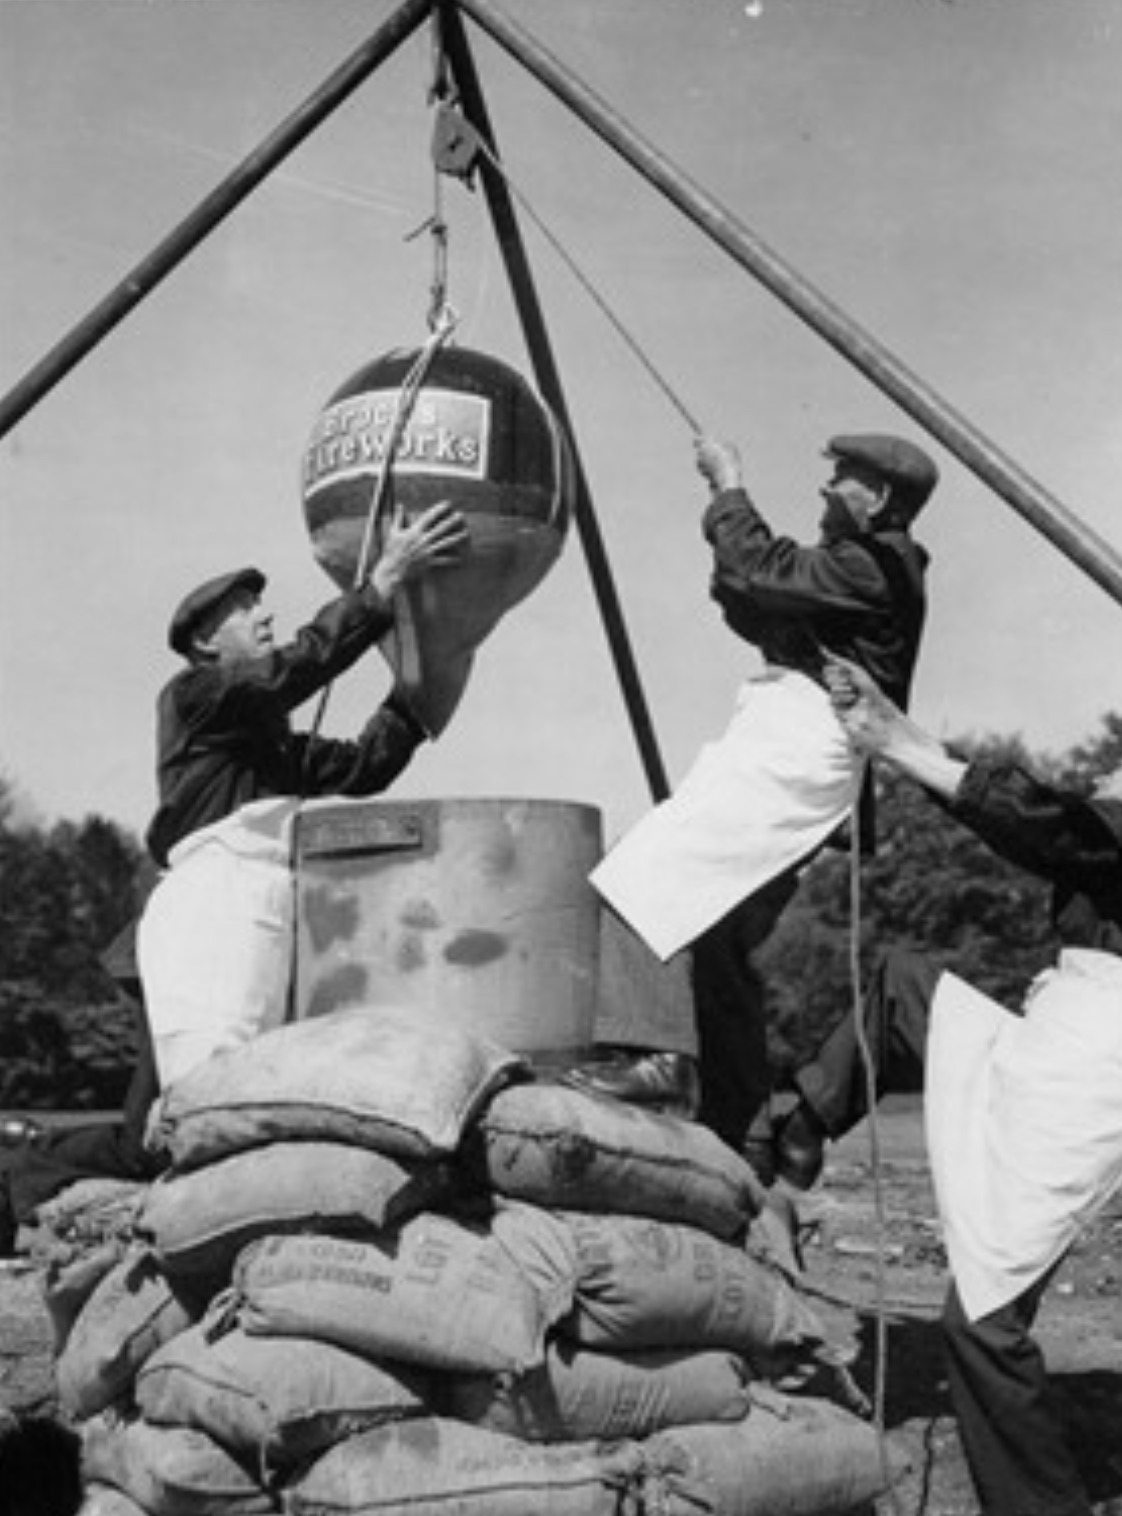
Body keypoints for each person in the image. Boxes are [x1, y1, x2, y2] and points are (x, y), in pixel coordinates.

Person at [810, 654, 1122, 1516]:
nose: (1107, 769)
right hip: (1072, 1031)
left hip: (1099, 1061)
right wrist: (893, 731)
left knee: (982, 1323)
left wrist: (899, 749)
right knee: (909, 988)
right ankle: (789, 1128)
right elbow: (1030, 811)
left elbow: (1043, 824)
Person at [580, 431, 938, 1147]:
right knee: (712, 943)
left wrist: (728, 487)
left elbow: (763, 572)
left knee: (636, 880)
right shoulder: (859, 569)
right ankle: (743, 1131)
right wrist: (739, 562)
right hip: (790, 745)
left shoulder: (875, 563)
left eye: (843, 478)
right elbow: (755, 595)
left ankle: (654, 1057)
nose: (827, 487)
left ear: (882, 498)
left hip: (796, 746)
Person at [137, 497, 469, 1089]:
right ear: (207, 645)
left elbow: (362, 768)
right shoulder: (194, 695)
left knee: (232, 1094)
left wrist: (414, 707)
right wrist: (382, 584)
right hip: (214, 895)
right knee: (213, 1090)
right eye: (243, 611)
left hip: (256, 896)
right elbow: (288, 674)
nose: (264, 618)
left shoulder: (261, 742)